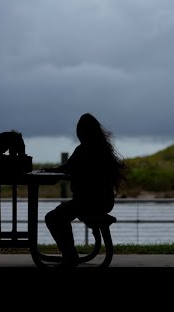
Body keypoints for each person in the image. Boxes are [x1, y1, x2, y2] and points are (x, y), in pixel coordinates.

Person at [43, 113, 127, 268]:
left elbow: (67, 168)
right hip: (105, 202)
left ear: (81, 132)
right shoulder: (103, 148)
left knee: (54, 217)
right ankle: (70, 255)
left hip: (87, 202)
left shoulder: (84, 149)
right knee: (60, 214)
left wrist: (48, 170)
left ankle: (69, 256)